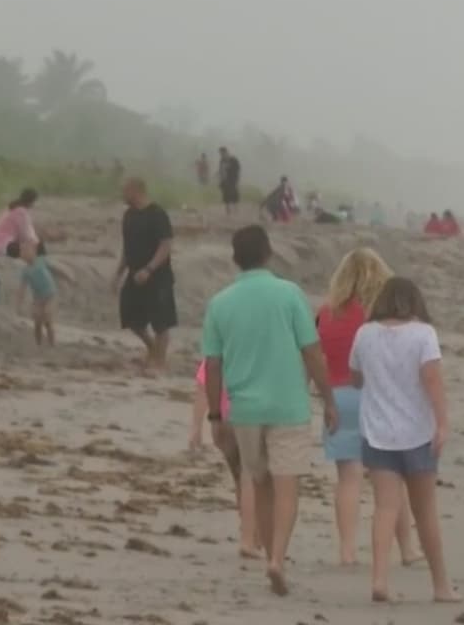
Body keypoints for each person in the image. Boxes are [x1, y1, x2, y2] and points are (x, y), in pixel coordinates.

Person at [202, 225, 338, 597]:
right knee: (287, 484)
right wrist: (328, 399)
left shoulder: (220, 303)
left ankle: (268, 561)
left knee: (259, 483)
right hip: (288, 405)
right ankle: (278, 557)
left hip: (244, 409)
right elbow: (312, 352)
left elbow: (212, 365)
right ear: (268, 254)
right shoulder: (289, 294)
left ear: (235, 258)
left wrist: (215, 416)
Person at [350, 276, 461, 604]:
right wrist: (442, 423)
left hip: (378, 431)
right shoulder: (423, 334)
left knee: (385, 507)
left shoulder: (365, 333)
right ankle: (441, 585)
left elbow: (355, 378)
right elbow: (433, 381)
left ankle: (380, 579)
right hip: (417, 433)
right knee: (425, 510)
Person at [316, 248, 420, 567]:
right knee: (390, 480)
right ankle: (407, 550)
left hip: (338, 397)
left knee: (348, 479)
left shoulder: (326, 313)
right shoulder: (380, 318)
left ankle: (347, 552)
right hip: (375, 399)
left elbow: (316, 356)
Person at [191, 359, 262, 558]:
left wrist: (196, 427)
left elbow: (203, 389)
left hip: (221, 421)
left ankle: (246, 529)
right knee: (252, 477)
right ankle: (251, 538)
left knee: (239, 478)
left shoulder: (217, 349)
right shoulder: (254, 348)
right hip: (248, 415)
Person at [113, 178, 177, 374]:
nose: (122, 194)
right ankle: (152, 349)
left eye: (125, 190)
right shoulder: (129, 215)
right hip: (134, 274)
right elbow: (127, 248)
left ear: (136, 191)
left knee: (161, 322)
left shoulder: (157, 214)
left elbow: (165, 245)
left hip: (158, 276)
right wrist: (118, 274)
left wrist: (149, 269)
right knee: (131, 318)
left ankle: (159, 361)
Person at [16, 239, 56, 346]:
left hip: (50, 296)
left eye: (25, 250)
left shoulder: (41, 260)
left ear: (34, 250)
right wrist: (19, 304)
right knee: (37, 322)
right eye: (21, 251)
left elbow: (55, 268)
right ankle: (39, 344)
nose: (22, 254)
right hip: (37, 299)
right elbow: (22, 289)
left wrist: (68, 278)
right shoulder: (26, 271)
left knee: (48, 318)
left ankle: (52, 344)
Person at [0, 188, 46, 258]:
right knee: (39, 247)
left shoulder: (11, 207)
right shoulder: (21, 212)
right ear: (32, 201)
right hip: (4, 246)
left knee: (33, 246)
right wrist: (37, 243)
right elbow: (27, 235)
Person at [218, 147, 242, 215]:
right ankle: (228, 210)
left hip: (233, 179)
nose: (222, 155)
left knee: (234, 194)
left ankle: (236, 209)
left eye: (223, 153)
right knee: (225, 194)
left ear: (226, 152)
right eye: (221, 153)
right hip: (225, 180)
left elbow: (238, 168)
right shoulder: (222, 160)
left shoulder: (233, 160)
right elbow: (220, 169)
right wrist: (219, 176)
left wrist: (229, 168)